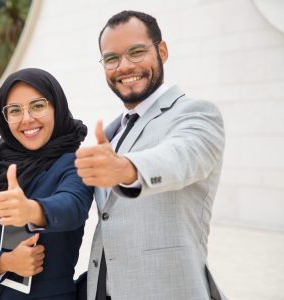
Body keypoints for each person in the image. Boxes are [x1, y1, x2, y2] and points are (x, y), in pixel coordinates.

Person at [75, 11, 226, 300]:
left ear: (162, 51)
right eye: (112, 58)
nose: (124, 66)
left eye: (136, 52)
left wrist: (127, 169)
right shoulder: (112, 133)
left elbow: (181, 156)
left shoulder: (196, 113)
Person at [0, 68, 93, 299]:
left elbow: (72, 206)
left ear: (57, 107)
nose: (27, 119)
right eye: (15, 110)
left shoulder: (74, 164)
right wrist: (3, 262)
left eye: (38, 106)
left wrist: (31, 210)